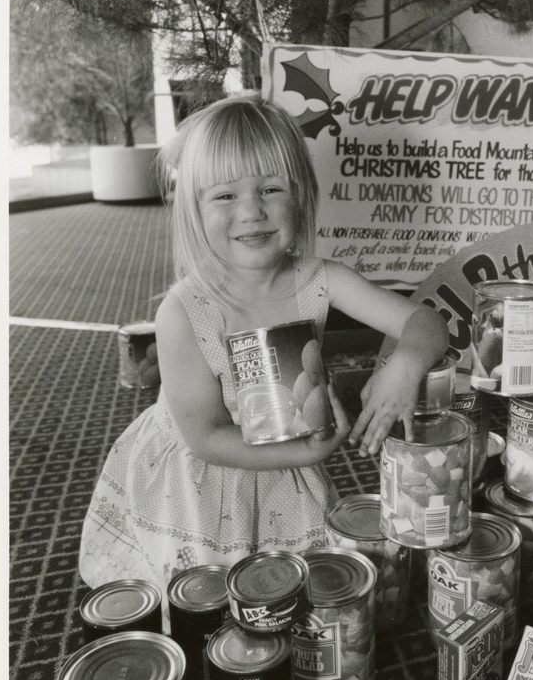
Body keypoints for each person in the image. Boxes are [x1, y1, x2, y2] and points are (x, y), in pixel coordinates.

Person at [79, 94, 450, 593]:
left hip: (288, 451)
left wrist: (404, 366)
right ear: (193, 210)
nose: (252, 211)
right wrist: (306, 456)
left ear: (301, 195)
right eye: (225, 196)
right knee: (207, 604)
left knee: (302, 599)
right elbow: (207, 438)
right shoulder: (183, 312)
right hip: (201, 478)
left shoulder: (321, 280)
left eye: (271, 188)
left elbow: (426, 322)